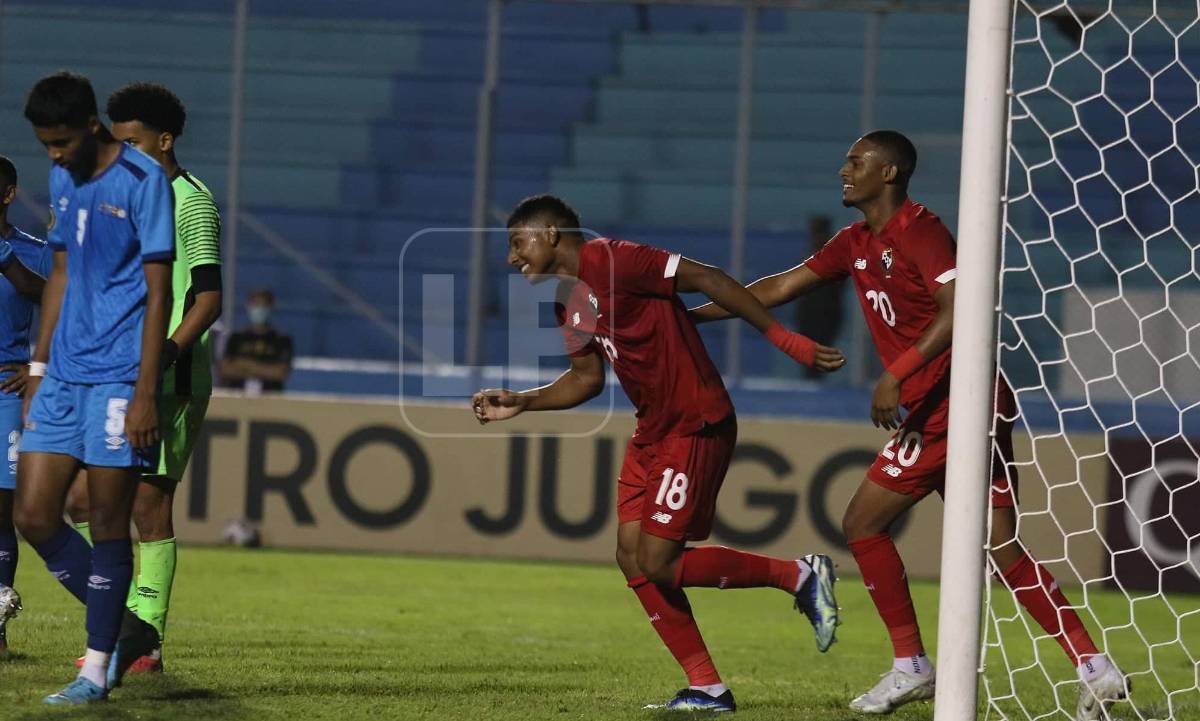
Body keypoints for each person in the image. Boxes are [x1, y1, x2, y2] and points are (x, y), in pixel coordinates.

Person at [689, 130, 1126, 719]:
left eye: (855, 162)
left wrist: (895, 373)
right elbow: (779, 288)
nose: (843, 171)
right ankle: (1093, 666)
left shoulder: (922, 231)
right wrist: (693, 315)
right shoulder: (854, 242)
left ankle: (912, 665)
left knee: (862, 523)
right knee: (1000, 547)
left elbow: (960, 308)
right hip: (962, 403)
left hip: (951, 403)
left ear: (889, 173)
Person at [472, 194, 846, 712]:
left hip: (696, 422)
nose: (512, 257)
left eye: (518, 242)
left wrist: (783, 339)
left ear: (551, 234)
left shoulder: (615, 259)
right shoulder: (568, 300)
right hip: (653, 430)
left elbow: (709, 278)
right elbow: (585, 378)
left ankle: (799, 576)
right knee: (631, 556)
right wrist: (525, 401)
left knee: (659, 561)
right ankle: (707, 687)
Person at [15, 71, 173, 705]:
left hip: (117, 379)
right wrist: (38, 368)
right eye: (45, 145)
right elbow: (60, 270)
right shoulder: (63, 177)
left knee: (108, 521)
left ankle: (96, 671)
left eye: (61, 142)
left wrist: (144, 391)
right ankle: (130, 629)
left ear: (91, 126)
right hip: (63, 375)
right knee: (33, 515)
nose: (54, 155)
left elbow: (159, 293)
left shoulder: (143, 181)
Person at [63, 81, 222, 677]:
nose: (124, 154)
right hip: (118, 375)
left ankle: (143, 642)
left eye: (134, 143)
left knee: (150, 504)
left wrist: (165, 357)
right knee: (80, 499)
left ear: (165, 140)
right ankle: (131, 627)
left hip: (171, 377)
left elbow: (208, 298)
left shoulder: (191, 201)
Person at [0, 155, 54, 653]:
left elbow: (64, 308)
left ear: (8, 194)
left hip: (5, 390)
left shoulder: (33, 252)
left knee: (3, 510)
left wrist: (37, 367)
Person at [219, 289, 292, 393]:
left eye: (264, 305)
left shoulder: (282, 339)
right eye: (256, 304)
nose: (259, 309)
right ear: (248, 306)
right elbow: (225, 370)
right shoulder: (236, 337)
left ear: (271, 307)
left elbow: (281, 373)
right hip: (237, 394)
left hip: (269, 395)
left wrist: (244, 364)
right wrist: (266, 369)